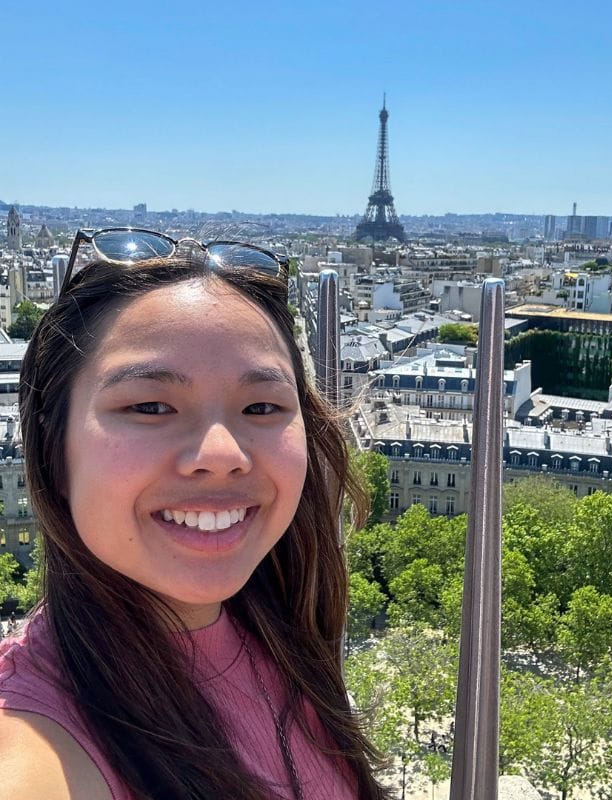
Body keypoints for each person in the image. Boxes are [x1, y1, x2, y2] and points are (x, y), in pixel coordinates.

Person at [0, 232, 390, 800]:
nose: (222, 455)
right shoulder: (35, 748)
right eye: (150, 406)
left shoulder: (280, 624)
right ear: (54, 449)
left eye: (262, 407)